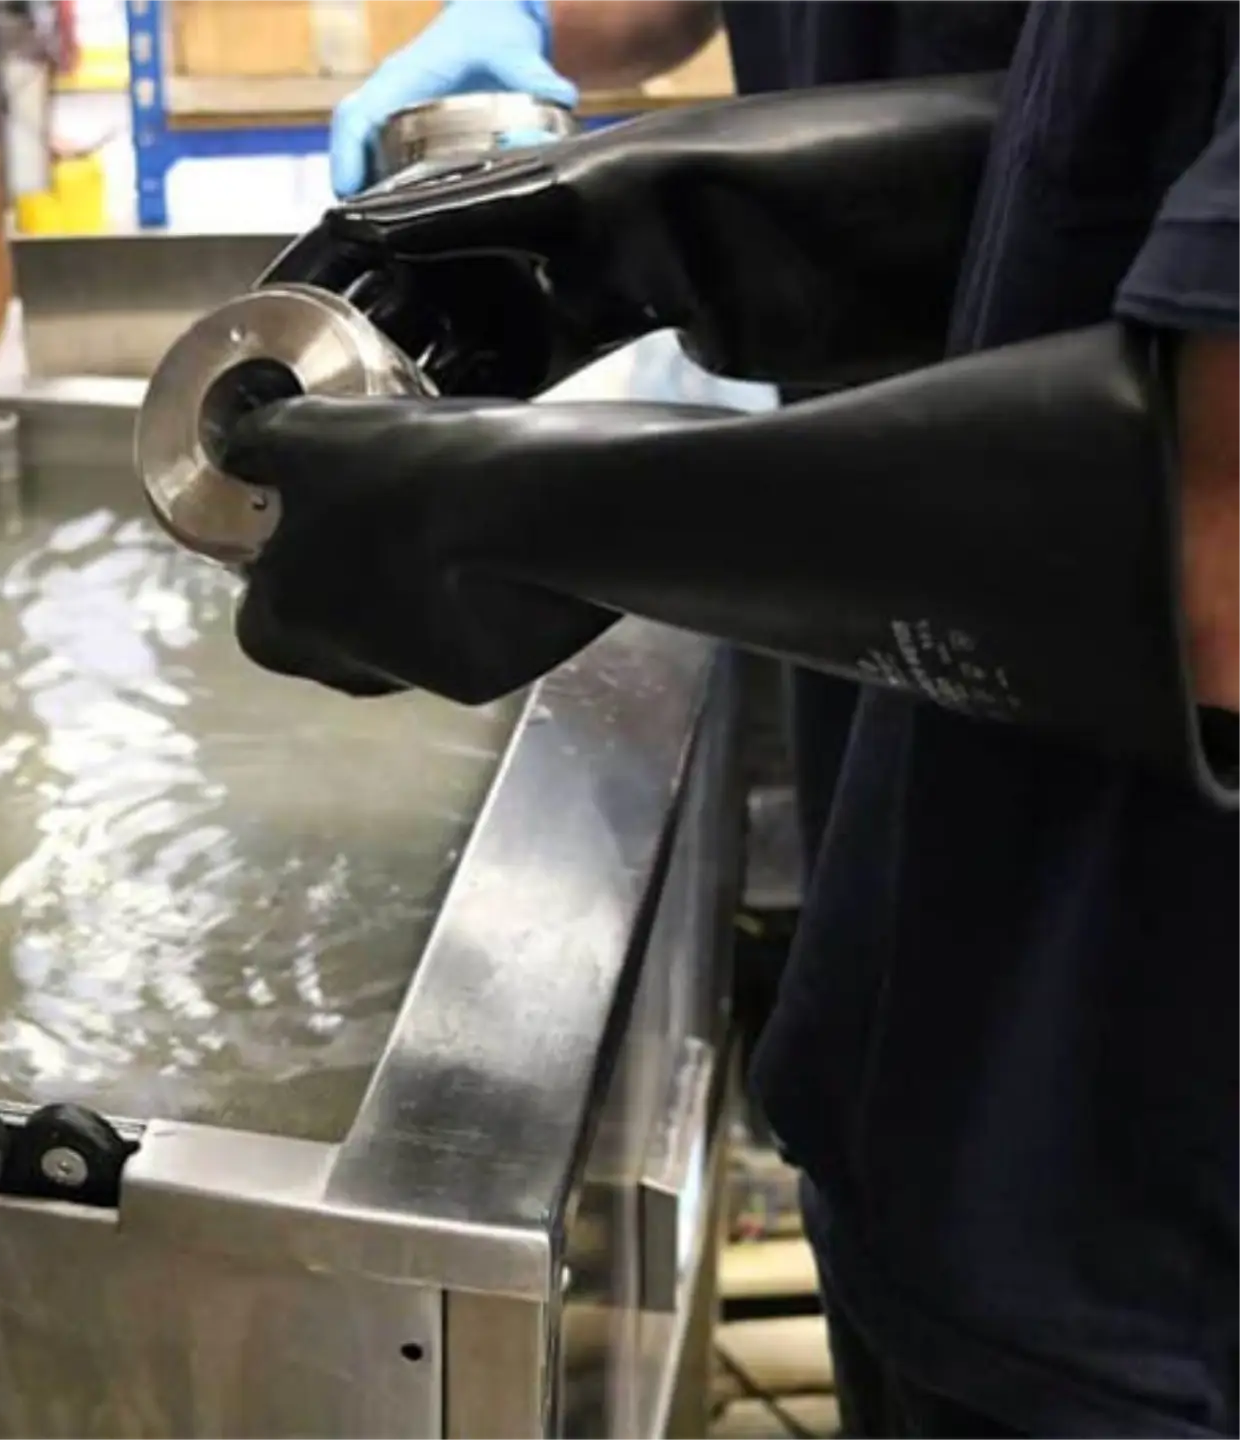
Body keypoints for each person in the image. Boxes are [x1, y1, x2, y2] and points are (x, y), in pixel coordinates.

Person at [221, 1, 1240, 1436]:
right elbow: (1127, 135)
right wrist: (661, 219)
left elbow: (1220, 565)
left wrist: (529, 516)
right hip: (949, 1008)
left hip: (1152, 1189)